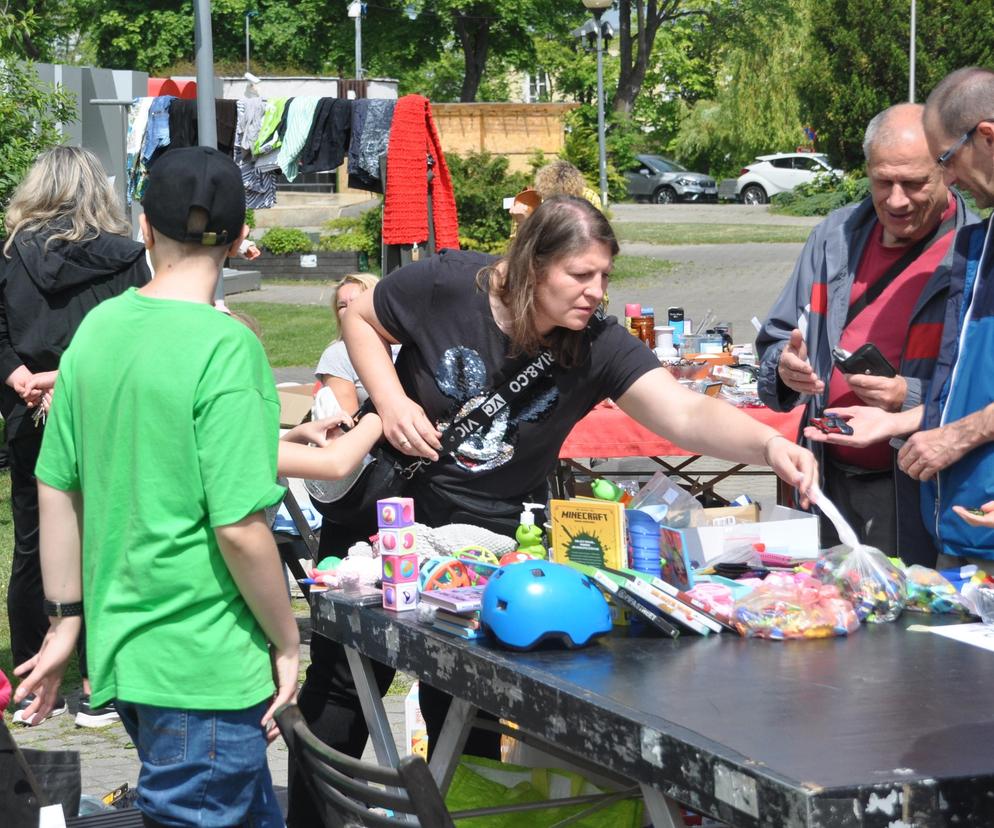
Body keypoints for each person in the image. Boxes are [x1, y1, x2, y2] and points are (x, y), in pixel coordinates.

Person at [287, 195, 818, 825]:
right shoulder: (449, 284)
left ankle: (462, 815)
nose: (596, 293)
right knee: (345, 683)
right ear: (533, 266)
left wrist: (768, 442)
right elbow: (356, 310)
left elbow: (685, 413)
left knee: (466, 700)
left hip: (488, 539)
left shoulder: (596, 343)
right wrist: (392, 399)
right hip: (387, 518)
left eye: (605, 277)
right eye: (580, 275)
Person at [12, 146, 305, 827]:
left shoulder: (98, 330)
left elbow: (56, 483)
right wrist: (288, 641)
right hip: (203, 669)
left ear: (144, 227)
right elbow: (239, 525)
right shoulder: (228, 347)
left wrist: (65, 621)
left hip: (132, 661)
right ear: (239, 239)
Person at [756, 103, 976, 565]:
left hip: (920, 493)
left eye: (914, 183)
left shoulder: (975, 253)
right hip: (825, 480)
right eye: (883, 181)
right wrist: (784, 367)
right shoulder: (832, 237)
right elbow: (775, 338)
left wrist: (906, 395)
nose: (897, 200)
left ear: (948, 172)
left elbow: (979, 393)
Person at [808, 68, 994, 569]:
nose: (949, 179)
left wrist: (952, 433)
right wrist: (908, 420)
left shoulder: (967, 238)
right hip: (965, 523)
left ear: (987, 137)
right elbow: (969, 384)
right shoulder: (984, 240)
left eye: (945, 162)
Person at [1, 146, 151, 727]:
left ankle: (29, 676)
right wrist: (66, 376)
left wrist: (21, 377)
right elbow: (139, 336)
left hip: (31, 413)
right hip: (104, 411)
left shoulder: (10, 257)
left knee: (34, 544)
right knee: (108, 540)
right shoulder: (126, 259)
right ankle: (100, 683)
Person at [314, 272, 400, 414]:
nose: (349, 310)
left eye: (356, 303)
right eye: (342, 306)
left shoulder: (407, 343)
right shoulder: (337, 354)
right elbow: (347, 422)